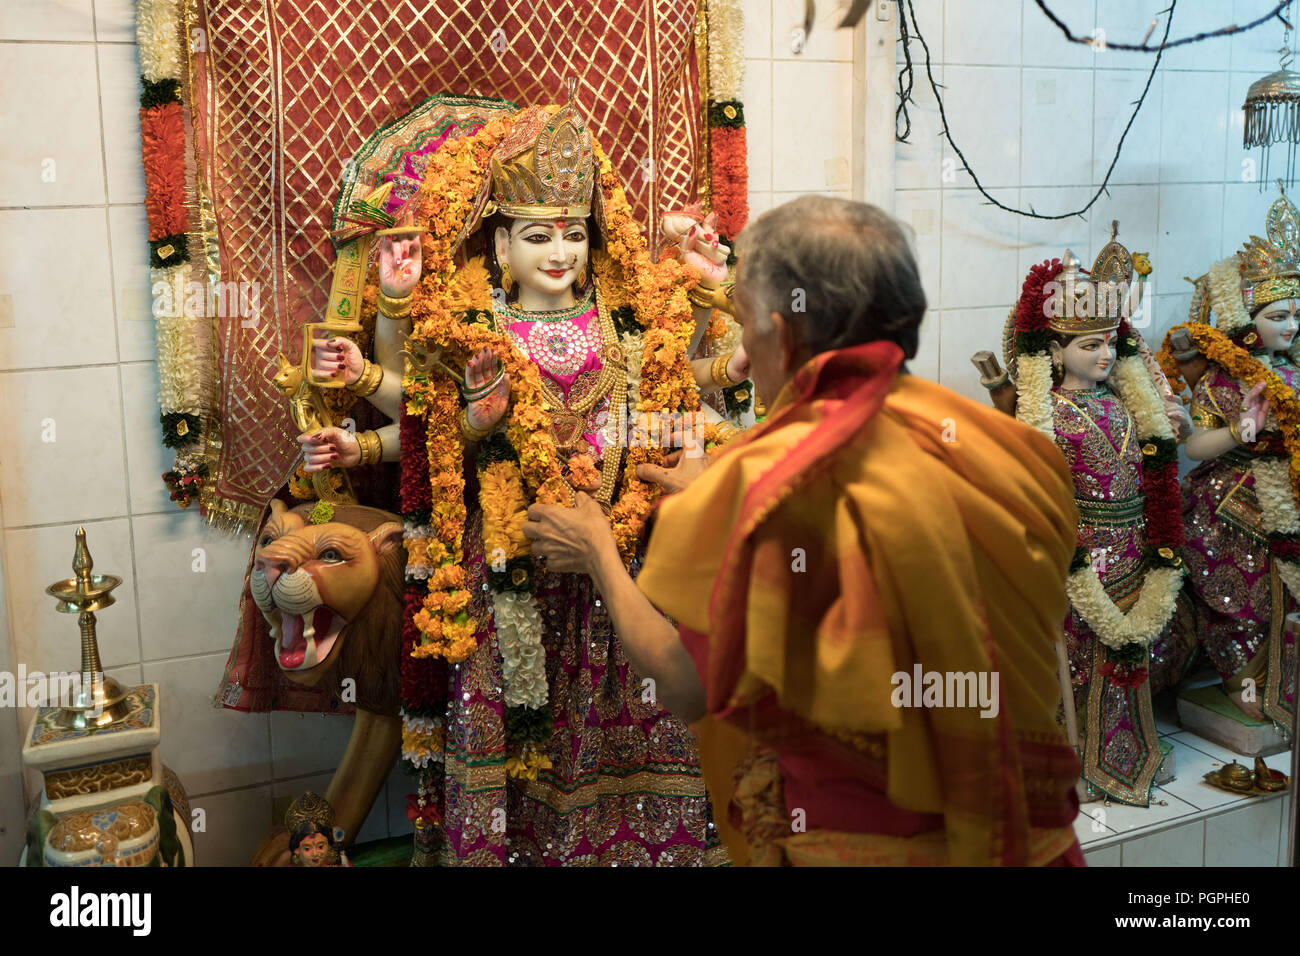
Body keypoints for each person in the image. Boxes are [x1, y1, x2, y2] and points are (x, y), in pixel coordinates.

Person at [523, 195, 1086, 865]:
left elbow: (684, 686)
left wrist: (597, 553)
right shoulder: (1013, 448)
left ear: (779, 332)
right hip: (1039, 843)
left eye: (742, 322)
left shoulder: (757, 491)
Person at [292, 93, 742, 866]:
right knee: (522, 741)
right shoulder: (479, 326)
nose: (559, 251)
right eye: (537, 235)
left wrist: (725, 371)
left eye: (572, 232)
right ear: (500, 245)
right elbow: (430, 423)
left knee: (642, 723)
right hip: (511, 571)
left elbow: (667, 397)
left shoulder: (625, 319)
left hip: (624, 567)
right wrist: (370, 380)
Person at [1159, 187, 1300, 729]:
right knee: (1246, 606)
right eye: (1279, 315)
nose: (1290, 326)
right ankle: (1244, 683)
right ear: (1249, 318)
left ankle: (1283, 683)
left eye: (1296, 315)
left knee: (1287, 604)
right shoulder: (1226, 375)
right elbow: (1193, 446)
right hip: (1232, 507)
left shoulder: (1295, 366)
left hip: (1289, 494)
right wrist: (1242, 432)